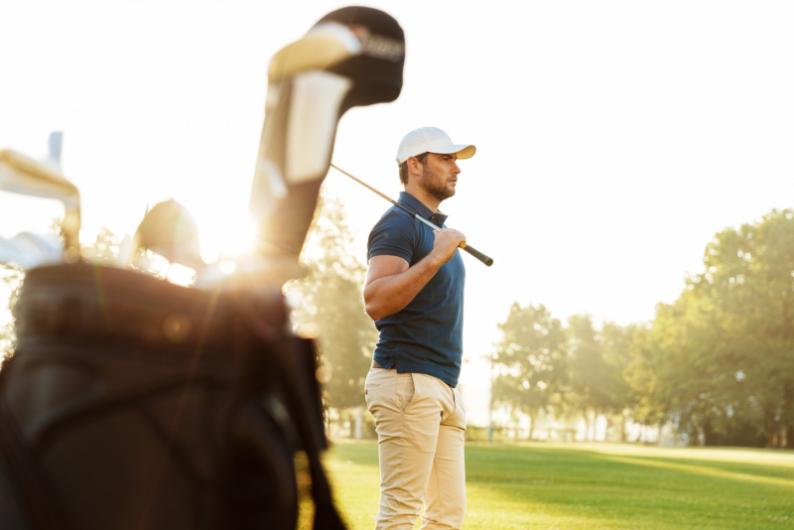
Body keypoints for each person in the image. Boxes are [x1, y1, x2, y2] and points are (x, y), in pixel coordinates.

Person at [363, 126, 476, 529]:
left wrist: (440, 250)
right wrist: (435, 259)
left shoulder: (432, 229)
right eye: (446, 159)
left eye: (456, 161)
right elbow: (375, 300)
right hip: (408, 380)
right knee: (401, 514)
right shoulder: (398, 225)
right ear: (414, 165)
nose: (456, 169)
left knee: (446, 517)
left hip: (443, 383)